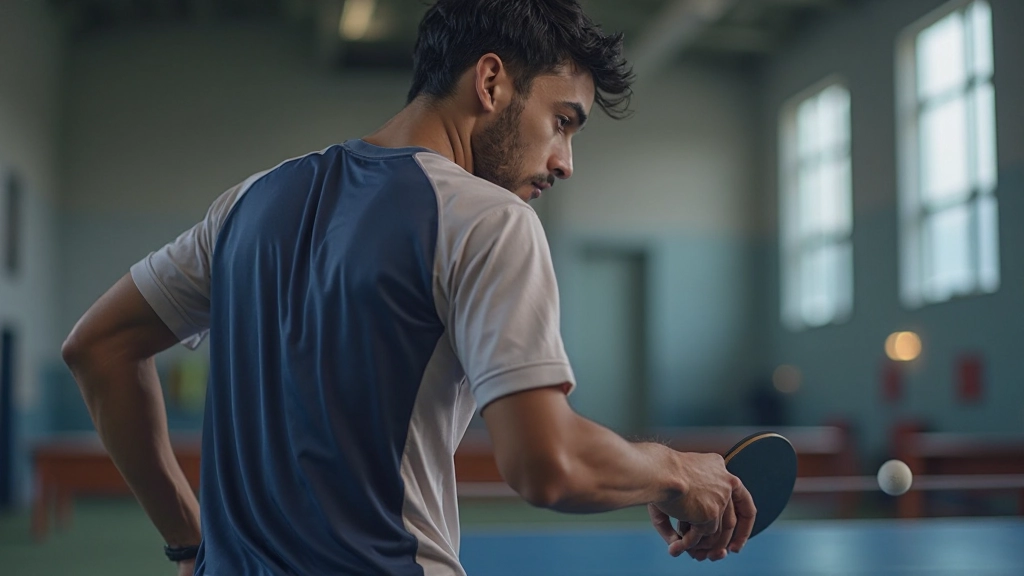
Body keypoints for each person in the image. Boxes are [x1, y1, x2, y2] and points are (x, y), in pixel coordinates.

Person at [61, 0, 755, 574]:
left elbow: (97, 349)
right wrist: (674, 470)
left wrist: (189, 542)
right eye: (563, 122)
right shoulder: (486, 221)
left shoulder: (248, 203)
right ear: (491, 83)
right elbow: (550, 464)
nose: (565, 162)